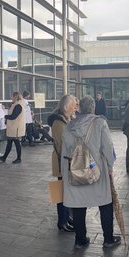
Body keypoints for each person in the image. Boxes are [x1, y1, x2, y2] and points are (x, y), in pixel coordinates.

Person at [62, 96, 121, 249]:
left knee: (78, 205)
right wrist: (109, 167)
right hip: (97, 171)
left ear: (79, 108)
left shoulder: (69, 125)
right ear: (93, 108)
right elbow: (107, 147)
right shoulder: (100, 122)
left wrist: (66, 172)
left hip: (76, 171)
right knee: (105, 203)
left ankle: (80, 240)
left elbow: (65, 151)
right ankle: (108, 238)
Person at [50, 95, 77, 233]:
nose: (76, 107)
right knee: (61, 193)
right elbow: (62, 145)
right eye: (74, 104)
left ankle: (67, 218)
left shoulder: (67, 120)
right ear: (67, 107)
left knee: (65, 192)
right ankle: (62, 221)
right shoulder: (59, 123)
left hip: (66, 161)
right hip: (62, 162)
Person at [0, 92, 26, 164]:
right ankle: (4, 157)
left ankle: (19, 159)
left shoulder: (18, 106)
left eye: (12, 97)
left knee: (17, 143)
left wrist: (5, 116)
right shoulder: (17, 105)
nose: (11, 98)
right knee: (9, 143)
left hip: (16, 128)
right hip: (13, 127)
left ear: (15, 97)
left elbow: (13, 116)